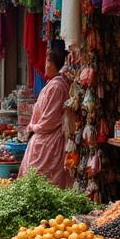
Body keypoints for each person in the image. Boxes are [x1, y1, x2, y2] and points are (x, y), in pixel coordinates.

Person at [19, 42, 72, 188]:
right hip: (45, 142)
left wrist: (32, 127)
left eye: (48, 61)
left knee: (42, 186)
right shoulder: (54, 84)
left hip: (49, 144)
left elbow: (49, 121)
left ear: (55, 63)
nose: (45, 65)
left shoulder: (57, 86)